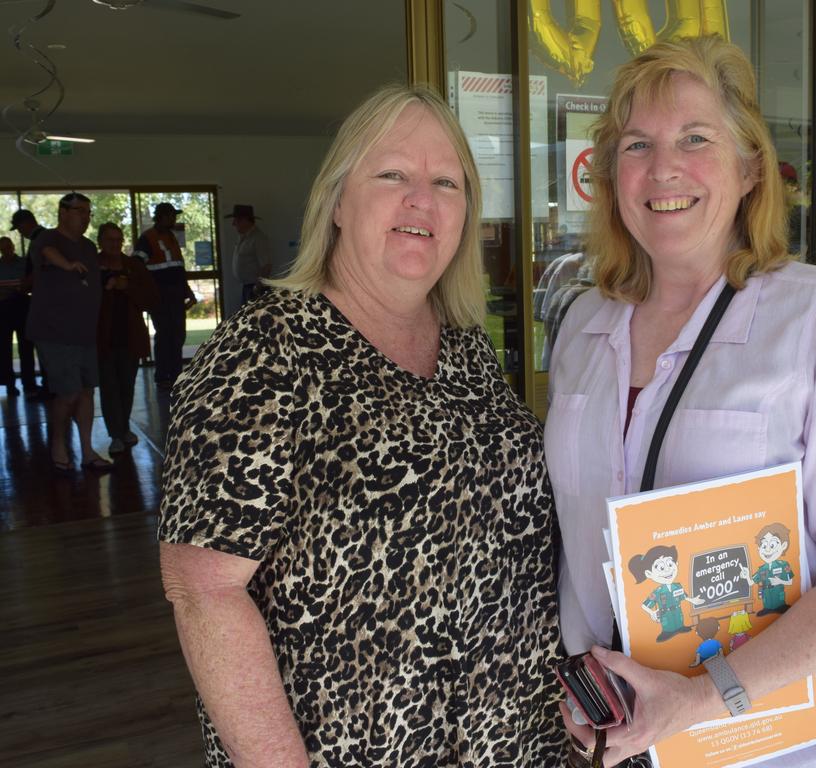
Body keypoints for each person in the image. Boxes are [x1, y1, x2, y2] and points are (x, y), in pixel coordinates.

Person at [545, 37, 816, 767]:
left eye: (695, 138)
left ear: (750, 167)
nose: (663, 167)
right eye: (636, 144)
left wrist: (703, 696)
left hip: (795, 751)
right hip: (624, 737)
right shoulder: (581, 327)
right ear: (611, 175)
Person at [158, 84, 564, 767]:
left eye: (446, 181)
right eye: (393, 175)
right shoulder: (262, 354)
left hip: (514, 738)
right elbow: (203, 591)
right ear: (338, 201)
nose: (422, 199)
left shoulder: (466, 345)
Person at [25, 193, 113, 473]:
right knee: (68, 393)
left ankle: (88, 451)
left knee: (87, 391)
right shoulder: (46, 239)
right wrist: (67, 265)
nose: (85, 217)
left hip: (84, 332)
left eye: (88, 212)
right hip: (54, 333)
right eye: (79, 211)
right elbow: (50, 253)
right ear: (63, 212)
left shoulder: (88, 245)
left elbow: (91, 277)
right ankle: (58, 443)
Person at [96, 223, 159, 454]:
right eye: (109, 239)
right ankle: (115, 433)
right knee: (109, 387)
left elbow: (151, 298)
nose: (114, 244)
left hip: (130, 337)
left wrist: (126, 286)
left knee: (126, 385)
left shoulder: (133, 266)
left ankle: (123, 429)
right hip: (102, 338)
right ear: (100, 242)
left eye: (118, 239)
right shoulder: (93, 266)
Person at [133, 201, 196, 388]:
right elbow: (137, 264)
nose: (174, 219)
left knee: (177, 334)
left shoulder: (171, 237)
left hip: (176, 295)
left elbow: (178, 267)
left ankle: (176, 375)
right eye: (171, 216)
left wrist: (188, 292)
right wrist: (147, 291)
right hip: (159, 296)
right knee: (164, 335)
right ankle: (163, 376)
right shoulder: (147, 238)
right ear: (162, 217)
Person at [9, 208, 46, 396]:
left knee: (44, 346)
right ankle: (47, 385)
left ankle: (49, 386)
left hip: (45, 303)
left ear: (27, 223)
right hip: (43, 301)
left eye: (19, 228)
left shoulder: (40, 240)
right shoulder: (42, 239)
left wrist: (24, 285)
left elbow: (39, 272)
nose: (20, 233)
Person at [0, 235, 32, 398]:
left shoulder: (24, 263)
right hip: (3, 309)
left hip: (22, 306)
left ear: (13, 246)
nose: (6, 251)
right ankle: (10, 384)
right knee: (4, 348)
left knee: (26, 347)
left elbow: (30, 282)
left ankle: (29, 383)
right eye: (3, 248)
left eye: (8, 247)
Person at [225, 203, 273, 305]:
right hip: (248, 287)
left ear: (245, 220)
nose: (233, 224)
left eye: (236, 220)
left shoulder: (258, 238)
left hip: (255, 288)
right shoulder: (244, 237)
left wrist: (257, 288)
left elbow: (266, 266)